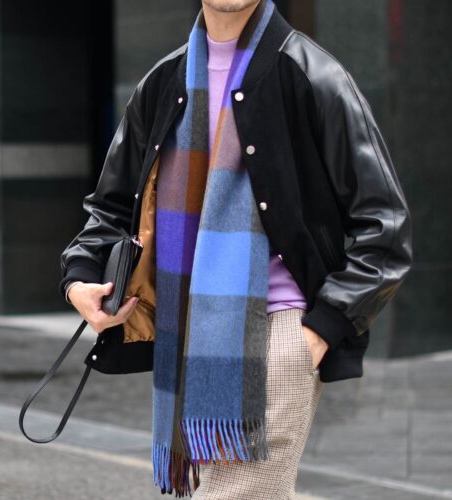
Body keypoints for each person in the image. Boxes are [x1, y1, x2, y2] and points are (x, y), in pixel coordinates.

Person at [59, 0, 413, 498]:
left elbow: (386, 225)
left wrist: (321, 329)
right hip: (187, 336)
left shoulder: (315, 76)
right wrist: (79, 278)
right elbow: (111, 207)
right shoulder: (164, 81)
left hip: (280, 331)